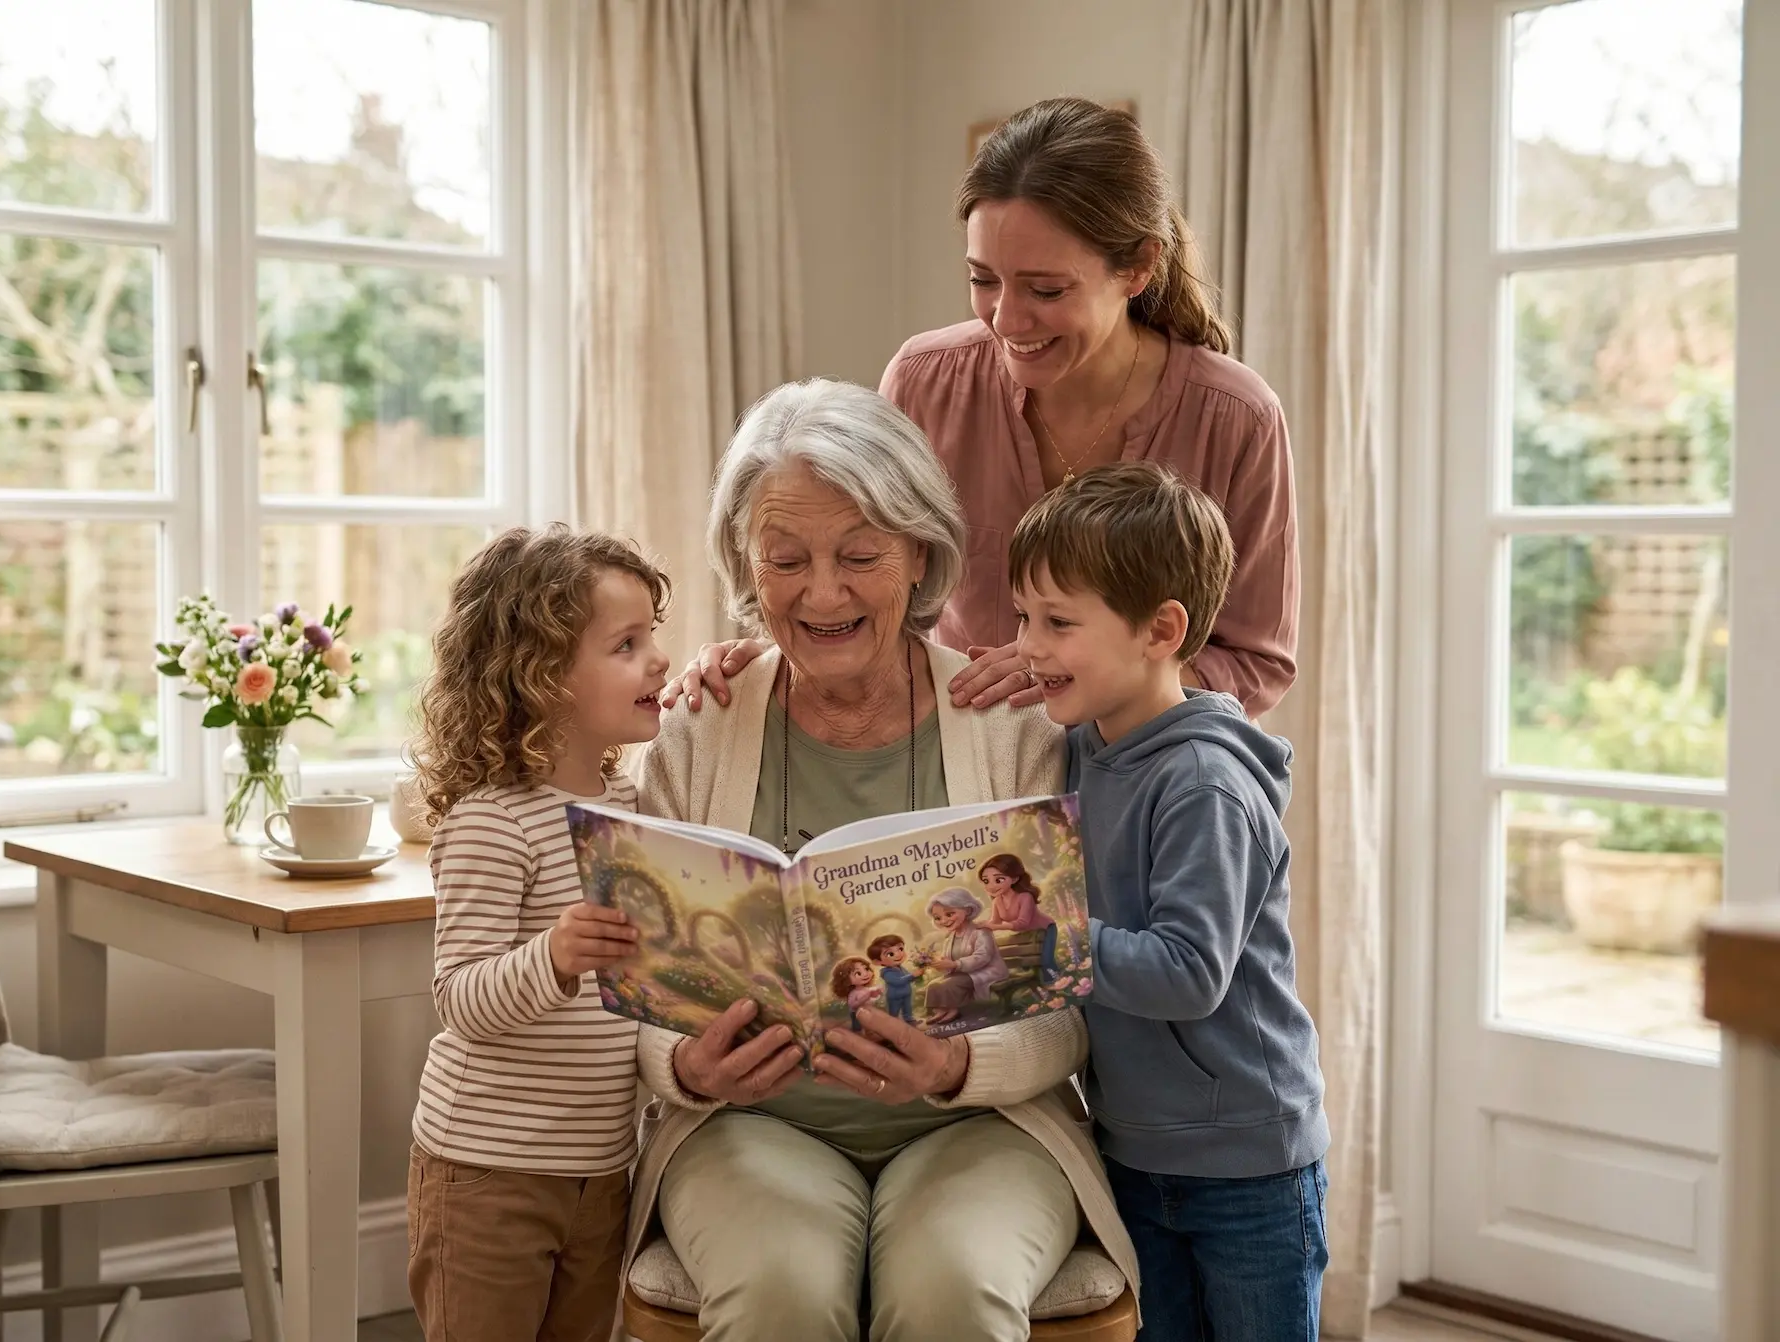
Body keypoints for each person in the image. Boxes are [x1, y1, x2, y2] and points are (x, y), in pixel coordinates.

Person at [630, 378, 1139, 1341]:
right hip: (751, 1129)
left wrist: (955, 1064)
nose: (823, 592)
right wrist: (690, 1068)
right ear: (748, 563)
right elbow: (638, 995)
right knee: (780, 1290)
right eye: (786, 559)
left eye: (860, 555)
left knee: (952, 1289)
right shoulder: (699, 729)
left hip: (983, 1125)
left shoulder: (1014, 724)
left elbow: (1073, 1004)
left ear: (918, 554)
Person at [668, 96, 1297, 723]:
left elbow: (1256, 662)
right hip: (961, 782)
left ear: (1137, 267)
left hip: (1145, 781)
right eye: (983, 280)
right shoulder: (924, 382)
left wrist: (1067, 669)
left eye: (1046, 289)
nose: (1007, 319)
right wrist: (766, 668)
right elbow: (865, 588)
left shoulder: (1237, 418)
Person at [1011, 462, 1329, 1340]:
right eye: (1023, 618)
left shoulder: (1203, 783)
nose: (1029, 647)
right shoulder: (1081, 749)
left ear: (1162, 630)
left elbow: (1190, 973)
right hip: (1135, 1148)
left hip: (1250, 1162)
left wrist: (1047, 939)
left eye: (1059, 623)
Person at [404, 525, 671, 1342]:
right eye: (627, 646)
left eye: (652, 637)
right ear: (542, 676)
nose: (658, 660)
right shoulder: (493, 822)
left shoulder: (633, 809)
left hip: (600, 1168)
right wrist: (552, 958)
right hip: (487, 1171)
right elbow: (460, 1000)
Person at [917, 886, 1005, 1025]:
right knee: (933, 985)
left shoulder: (980, 931)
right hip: (963, 973)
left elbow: (983, 957)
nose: (944, 921)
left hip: (984, 971)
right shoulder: (950, 936)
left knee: (951, 984)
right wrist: (943, 964)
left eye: (949, 914)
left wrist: (955, 964)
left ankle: (952, 1009)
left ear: (968, 910)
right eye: (938, 918)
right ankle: (940, 1010)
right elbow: (950, 960)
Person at [975, 851, 1058, 982]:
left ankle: (1057, 985)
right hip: (1026, 934)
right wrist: (980, 927)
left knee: (1046, 961)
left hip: (1045, 930)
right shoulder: (997, 901)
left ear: (1014, 879)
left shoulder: (1025, 897)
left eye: (998, 880)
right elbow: (994, 922)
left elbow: (1022, 923)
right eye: (986, 881)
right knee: (1026, 963)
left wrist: (994, 926)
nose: (991, 886)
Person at [867, 933, 918, 1024]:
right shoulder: (887, 972)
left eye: (900, 949)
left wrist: (917, 976)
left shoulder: (901, 968)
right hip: (895, 996)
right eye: (890, 954)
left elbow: (908, 977)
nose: (898, 954)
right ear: (878, 961)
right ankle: (892, 1024)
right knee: (894, 1012)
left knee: (907, 1008)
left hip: (906, 993)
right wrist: (912, 976)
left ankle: (909, 1020)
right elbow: (897, 981)